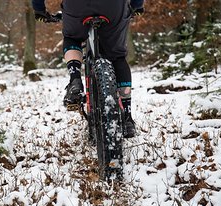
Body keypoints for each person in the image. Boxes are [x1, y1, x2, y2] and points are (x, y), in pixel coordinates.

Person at [31, 0, 144, 138]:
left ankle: (75, 80)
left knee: (72, 38)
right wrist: (136, 5)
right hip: (113, 7)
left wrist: (39, 9)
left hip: (76, 7)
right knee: (117, 57)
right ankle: (126, 118)